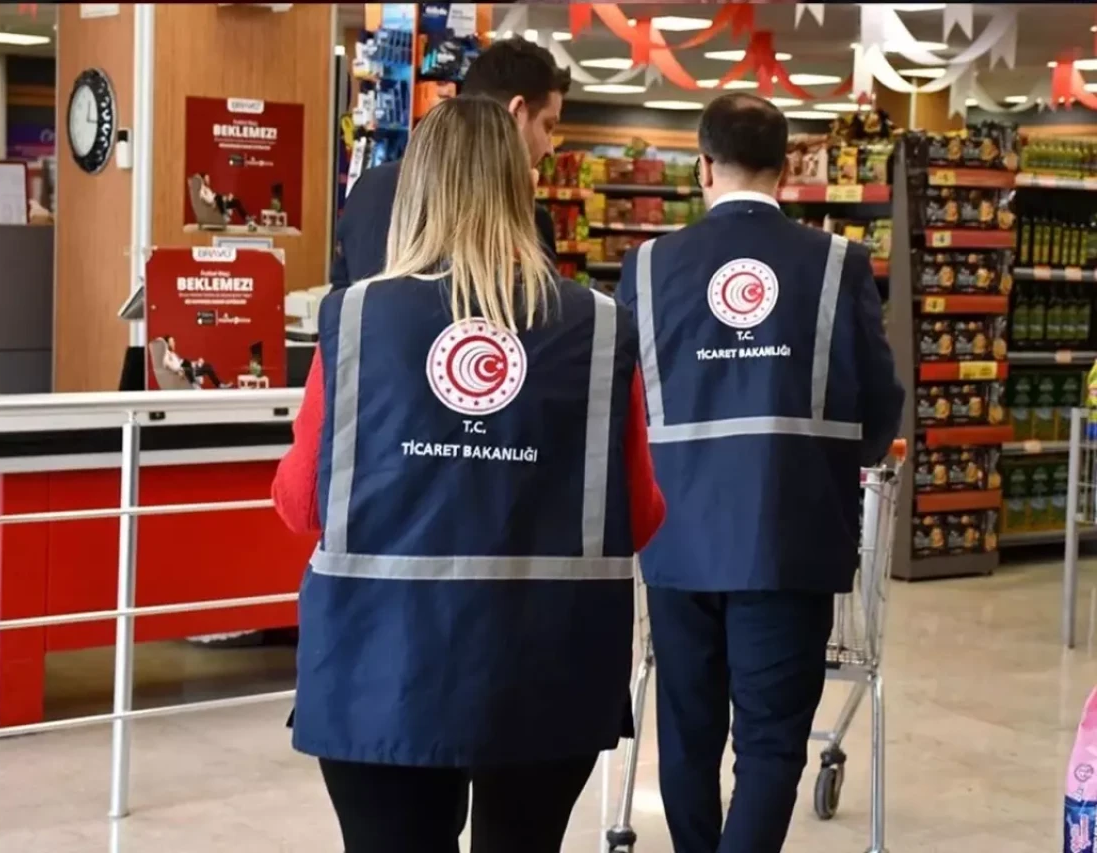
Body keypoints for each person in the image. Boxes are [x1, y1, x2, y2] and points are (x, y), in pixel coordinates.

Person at [272, 96, 665, 853]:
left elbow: (301, 501)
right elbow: (640, 511)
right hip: (549, 662)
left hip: (379, 660)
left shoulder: (356, 319)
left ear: (415, 188)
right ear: (522, 188)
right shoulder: (602, 326)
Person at [615, 92, 904, 853]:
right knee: (772, 742)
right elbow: (881, 402)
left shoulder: (646, 269)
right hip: (791, 534)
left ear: (702, 166)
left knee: (687, 733)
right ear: (785, 170)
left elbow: (619, 404)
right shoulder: (838, 263)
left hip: (675, 539)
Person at [330, 36, 568, 290]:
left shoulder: (372, 189)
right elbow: (546, 318)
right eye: (548, 126)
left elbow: (345, 310)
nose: (550, 148)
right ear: (517, 113)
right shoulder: (530, 220)